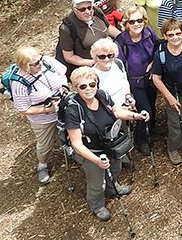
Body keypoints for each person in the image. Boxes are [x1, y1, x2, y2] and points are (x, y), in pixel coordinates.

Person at [62, 66, 147, 222]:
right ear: (75, 88)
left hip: (111, 144)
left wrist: (136, 116)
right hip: (91, 152)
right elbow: (76, 144)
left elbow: (117, 112)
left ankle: (113, 188)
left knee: (116, 167)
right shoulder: (74, 110)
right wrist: (96, 160)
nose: (88, 89)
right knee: (96, 184)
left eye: (92, 84)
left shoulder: (102, 95)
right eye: (82, 86)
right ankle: (97, 205)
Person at [9, 46, 68, 185]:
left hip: (63, 106)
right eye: (34, 64)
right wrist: (47, 110)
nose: (39, 64)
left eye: (39, 60)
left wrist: (64, 89)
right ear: (24, 66)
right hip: (43, 119)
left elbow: (62, 74)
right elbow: (24, 109)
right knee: (45, 144)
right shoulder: (19, 83)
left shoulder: (47, 62)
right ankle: (42, 165)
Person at [149, 18, 182, 166]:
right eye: (171, 34)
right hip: (172, 90)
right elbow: (156, 78)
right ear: (165, 35)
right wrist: (168, 97)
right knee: (176, 121)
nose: (175, 37)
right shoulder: (160, 54)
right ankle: (173, 147)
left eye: (178, 33)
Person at [115, 6, 158, 155]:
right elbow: (118, 66)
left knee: (151, 105)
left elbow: (158, 48)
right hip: (134, 84)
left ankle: (150, 129)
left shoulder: (149, 33)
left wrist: (154, 63)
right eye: (131, 21)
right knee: (144, 109)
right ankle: (141, 140)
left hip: (151, 79)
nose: (136, 24)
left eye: (139, 20)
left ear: (145, 20)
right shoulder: (121, 42)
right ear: (126, 24)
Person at [56, 0, 120, 77]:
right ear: (75, 10)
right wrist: (95, 63)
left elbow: (109, 28)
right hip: (91, 69)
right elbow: (69, 57)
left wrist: (124, 38)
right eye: (82, 9)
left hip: (109, 58)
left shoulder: (97, 12)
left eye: (89, 7)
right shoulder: (67, 28)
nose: (87, 11)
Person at [90, 37, 130, 107]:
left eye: (110, 55)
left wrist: (128, 97)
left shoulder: (118, 63)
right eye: (102, 56)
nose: (107, 59)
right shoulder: (92, 74)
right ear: (95, 57)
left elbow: (125, 83)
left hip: (126, 106)